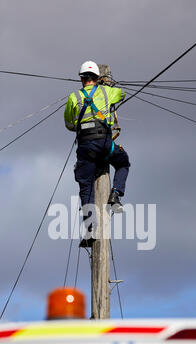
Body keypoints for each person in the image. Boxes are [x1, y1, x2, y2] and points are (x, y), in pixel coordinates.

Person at [64, 61, 130, 247]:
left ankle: (90, 228)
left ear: (82, 79)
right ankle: (115, 194)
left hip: (85, 148)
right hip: (104, 144)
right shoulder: (107, 91)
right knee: (123, 162)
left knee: (86, 187)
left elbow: (69, 124)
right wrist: (106, 86)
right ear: (96, 78)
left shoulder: (73, 97)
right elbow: (122, 94)